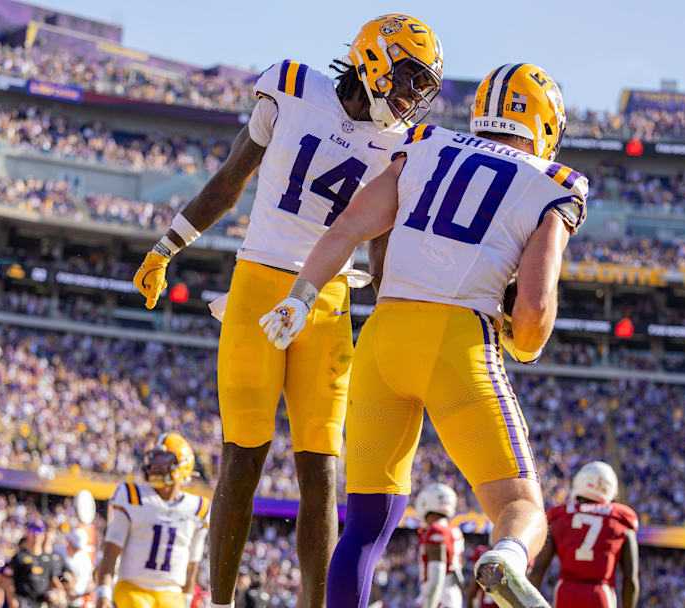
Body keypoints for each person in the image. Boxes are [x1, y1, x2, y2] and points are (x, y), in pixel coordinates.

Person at [131, 15, 444, 608]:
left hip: (329, 302)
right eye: (405, 79)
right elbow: (230, 181)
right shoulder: (293, 89)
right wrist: (166, 245)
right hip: (258, 284)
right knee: (242, 459)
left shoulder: (401, 144)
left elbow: (381, 253)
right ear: (373, 61)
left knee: (322, 474)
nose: (409, 98)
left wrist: (404, 309)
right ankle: (219, 603)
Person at [260, 62, 588, 608]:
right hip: (458, 340)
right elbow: (532, 312)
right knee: (522, 508)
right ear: (546, 126)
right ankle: (504, 558)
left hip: (385, 335)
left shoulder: (426, 142)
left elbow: (348, 227)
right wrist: (522, 343)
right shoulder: (554, 182)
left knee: (365, 525)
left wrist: (300, 295)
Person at [95, 434, 209, 608]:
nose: (155, 465)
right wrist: (103, 594)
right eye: (153, 458)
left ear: (182, 463)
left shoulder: (198, 507)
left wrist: (186, 599)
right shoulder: (131, 495)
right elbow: (111, 550)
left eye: (163, 459)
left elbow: (193, 562)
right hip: (133, 588)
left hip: (171, 593)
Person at [528, 462, 639, 608]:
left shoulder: (560, 516)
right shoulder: (620, 520)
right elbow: (630, 580)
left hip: (566, 593)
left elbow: (538, 569)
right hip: (600, 594)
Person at [414, 484, 464, 608]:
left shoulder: (436, 530)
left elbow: (436, 579)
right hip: (450, 596)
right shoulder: (453, 529)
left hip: (439, 599)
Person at [1, 522, 67, 608]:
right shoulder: (20, 556)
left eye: (39, 531)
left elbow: (52, 579)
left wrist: (60, 593)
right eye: (33, 531)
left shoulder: (47, 558)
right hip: (24, 601)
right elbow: (7, 579)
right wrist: (12, 600)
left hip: (41, 601)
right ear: (28, 534)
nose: (36, 535)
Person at [62, 528, 93, 607]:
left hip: (80, 602)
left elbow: (89, 580)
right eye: (75, 547)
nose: (77, 550)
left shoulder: (85, 558)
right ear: (69, 541)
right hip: (63, 601)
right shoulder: (59, 554)